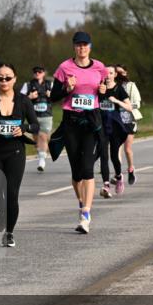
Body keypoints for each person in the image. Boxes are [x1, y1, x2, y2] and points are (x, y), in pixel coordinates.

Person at [48, 31, 108, 234]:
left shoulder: (100, 67)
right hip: (71, 122)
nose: (82, 48)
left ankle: (86, 214)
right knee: (76, 172)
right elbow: (53, 97)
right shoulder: (64, 68)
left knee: (87, 168)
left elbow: (105, 91)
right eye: (78, 45)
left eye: (85, 45)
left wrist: (103, 92)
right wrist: (66, 88)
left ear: (90, 47)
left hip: (91, 121)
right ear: (74, 47)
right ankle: (82, 202)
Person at [0, 62, 39, 248]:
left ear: (15, 79)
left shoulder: (23, 101)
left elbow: (35, 125)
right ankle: (3, 211)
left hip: (15, 152)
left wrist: (24, 128)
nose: (4, 81)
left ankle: (9, 233)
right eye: (0, 78)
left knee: (12, 194)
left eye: (8, 78)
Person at [97, 65, 135, 197]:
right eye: (105, 73)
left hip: (115, 127)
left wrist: (117, 101)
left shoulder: (119, 89)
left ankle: (119, 176)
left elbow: (129, 107)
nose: (108, 75)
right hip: (101, 126)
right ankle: (106, 185)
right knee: (103, 154)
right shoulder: (99, 88)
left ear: (115, 75)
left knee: (114, 155)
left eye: (111, 73)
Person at [21, 65, 54, 172]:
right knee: (36, 139)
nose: (37, 74)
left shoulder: (50, 84)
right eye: (35, 72)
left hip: (46, 115)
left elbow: (57, 96)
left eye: (39, 72)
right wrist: (29, 97)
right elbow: (19, 99)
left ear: (43, 73)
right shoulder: (28, 85)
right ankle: (42, 152)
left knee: (43, 137)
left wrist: (51, 95)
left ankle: (41, 160)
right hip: (33, 116)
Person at [115, 64, 141, 184]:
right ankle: (118, 173)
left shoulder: (131, 86)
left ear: (126, 73)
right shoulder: (112, 86)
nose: (119, 75)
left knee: (127, 148)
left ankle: (131, 169)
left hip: (129, 120)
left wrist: (126, 105)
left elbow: (137, 103)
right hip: (116, 120)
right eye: (117, 72)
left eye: (121, 72)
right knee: (116, 148)